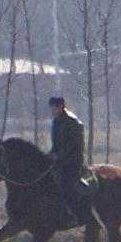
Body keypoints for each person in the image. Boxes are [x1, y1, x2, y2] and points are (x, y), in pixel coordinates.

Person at [48, 97, 86, 226]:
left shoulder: (73, 122)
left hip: (72, 161)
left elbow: (73, 144)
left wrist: (59, 155)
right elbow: (56, 143)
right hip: (59, 160)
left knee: (68, 184)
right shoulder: (56, 122)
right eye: (51, 108)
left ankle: (75, 214)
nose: (52, 111)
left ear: (61, 106)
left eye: (54, 108)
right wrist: (50, 155)